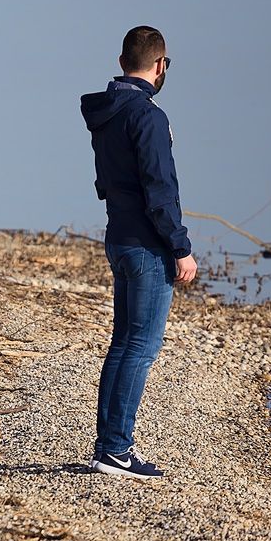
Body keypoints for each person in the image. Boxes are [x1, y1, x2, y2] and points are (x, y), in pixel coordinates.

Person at [80, 25, 197, 479]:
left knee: (123, 344)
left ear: (122, 61)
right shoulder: (147, 116)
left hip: (118, 235)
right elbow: (160, 189)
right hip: (146, 244)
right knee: (140, 348)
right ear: (160, 64)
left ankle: (109, 447)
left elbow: (109, 179)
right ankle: (115, 449)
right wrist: (181, 248)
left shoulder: (107, 112)